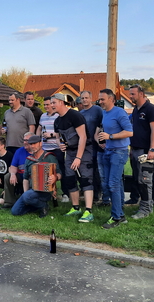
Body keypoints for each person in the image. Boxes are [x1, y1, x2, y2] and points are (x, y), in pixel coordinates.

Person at [51, 93, 94, 223]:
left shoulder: (75, 116)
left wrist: (79, 158)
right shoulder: (57, 120)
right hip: (69, 153)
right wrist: (61, 145)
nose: (51, 105)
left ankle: (88, 211)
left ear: (61, 102)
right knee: (69, 179)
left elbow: (83, 137)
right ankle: (75, 207)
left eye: (53, 103)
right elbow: (58, 137)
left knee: (85, 180)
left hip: (84, 151)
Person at [96, 89, 133, 229]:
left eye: (102, 99)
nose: (100, 102)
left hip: (119, 152)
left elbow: (129, 132)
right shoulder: (104, 113)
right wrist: (103, 139)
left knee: (113, 184)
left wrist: (110, 137)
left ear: (111, 99)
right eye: (99, 99)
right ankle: (120, 214)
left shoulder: (119, 112)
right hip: (108, 151)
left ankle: (116, 217)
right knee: (113, 183)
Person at [128, 85, 154, 219]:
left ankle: (146, 209)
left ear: (141, 94)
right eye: (130, 94)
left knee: (145, 180)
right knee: (138, 179)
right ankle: (144, 205)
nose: (131, 96)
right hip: (135, 149)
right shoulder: (136, 110)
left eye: (133, 94)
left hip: (146, 151)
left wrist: (152, 149)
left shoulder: (151, 109)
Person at [11, 134, 62, 218]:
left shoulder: (49, 157)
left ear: (40, 144)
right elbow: (25, 179)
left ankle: (43, 206)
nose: (32, 146)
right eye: (31, 144)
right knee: (15, 212)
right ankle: (38, 206)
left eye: (35, 143)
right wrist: (25, 194)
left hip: (46, 191)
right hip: (32, 191)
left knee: (27, 197)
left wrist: (55, 177)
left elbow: (60, 173)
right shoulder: (28, 160)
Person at [36, 96, 69, 202]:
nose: (46, 106)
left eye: (48, 104)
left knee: (60, 170)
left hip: (56, 147)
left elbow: (61, 132)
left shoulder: (58, 116)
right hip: (45, 148)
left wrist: (50, 135)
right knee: (46, 171)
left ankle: (65, 193)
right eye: (44, 104)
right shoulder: (43, 116)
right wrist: (38, 140)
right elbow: (39, 128)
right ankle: (48, 192)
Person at [78, 90, 103, 202]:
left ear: (91, 98)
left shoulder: (97, 110)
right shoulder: (81, 113)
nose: (84, 100)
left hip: (96, 144)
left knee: (96, 170)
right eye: (82, 98)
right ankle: (89, 192)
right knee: (88, 170)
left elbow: (103, 124)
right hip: (85, 145)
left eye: (86, 98)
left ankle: (98, 194)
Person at [3, 132, 34, 207]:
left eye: (27, 140)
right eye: (24, 140)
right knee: (8, 176)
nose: (25, 142)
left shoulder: (38, 151)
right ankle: (9, 202)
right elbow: (13, 166)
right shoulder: (19, 151)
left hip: (33, 177)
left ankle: (32, 202)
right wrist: (13, 174)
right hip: (21, 176)